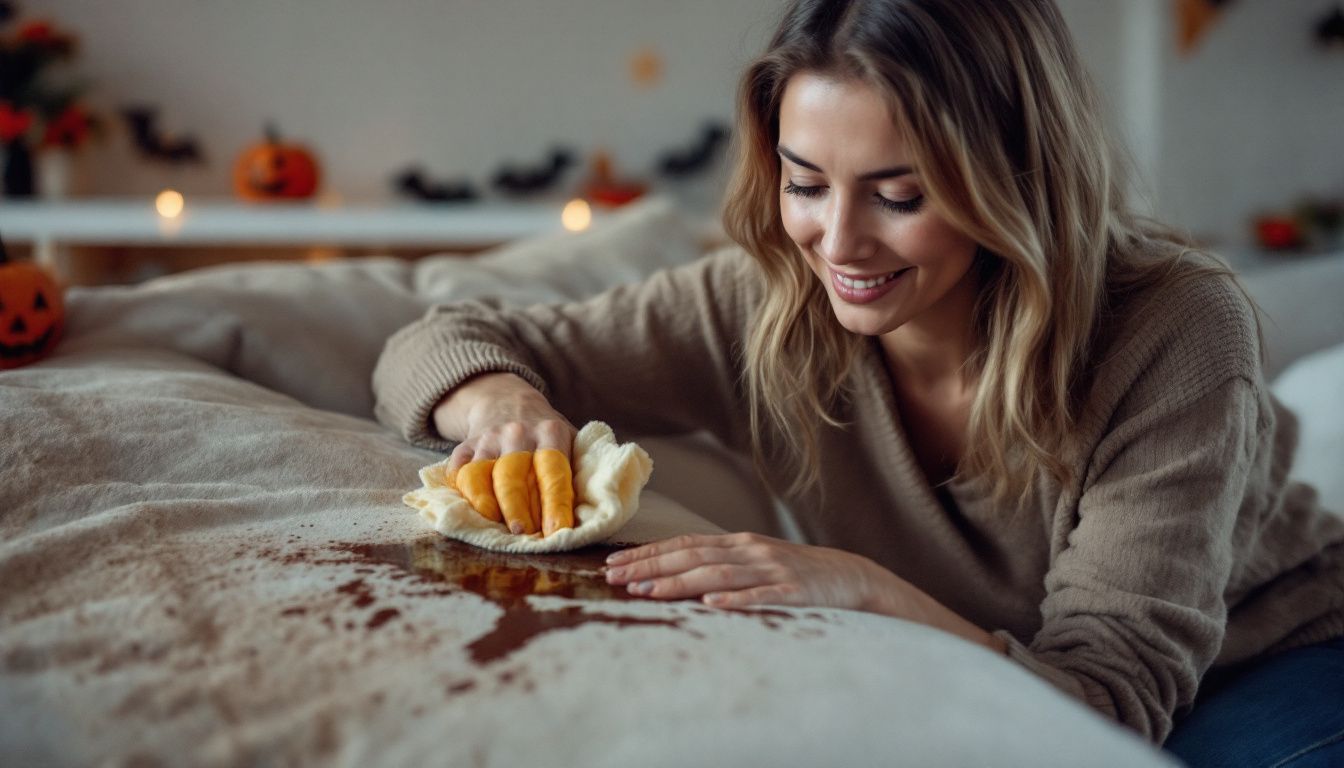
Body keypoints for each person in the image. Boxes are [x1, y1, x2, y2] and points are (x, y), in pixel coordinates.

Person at [372, 0, 1344, 764]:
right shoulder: (767, 302)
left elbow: (1110, 703)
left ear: (1013, 178)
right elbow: (440, 341)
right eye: (805, 182)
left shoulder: (1171, 325)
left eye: (899, 195)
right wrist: (506, 406)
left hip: (1276, 662)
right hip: (1013, 680)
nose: (837, 244)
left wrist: (859, 587)